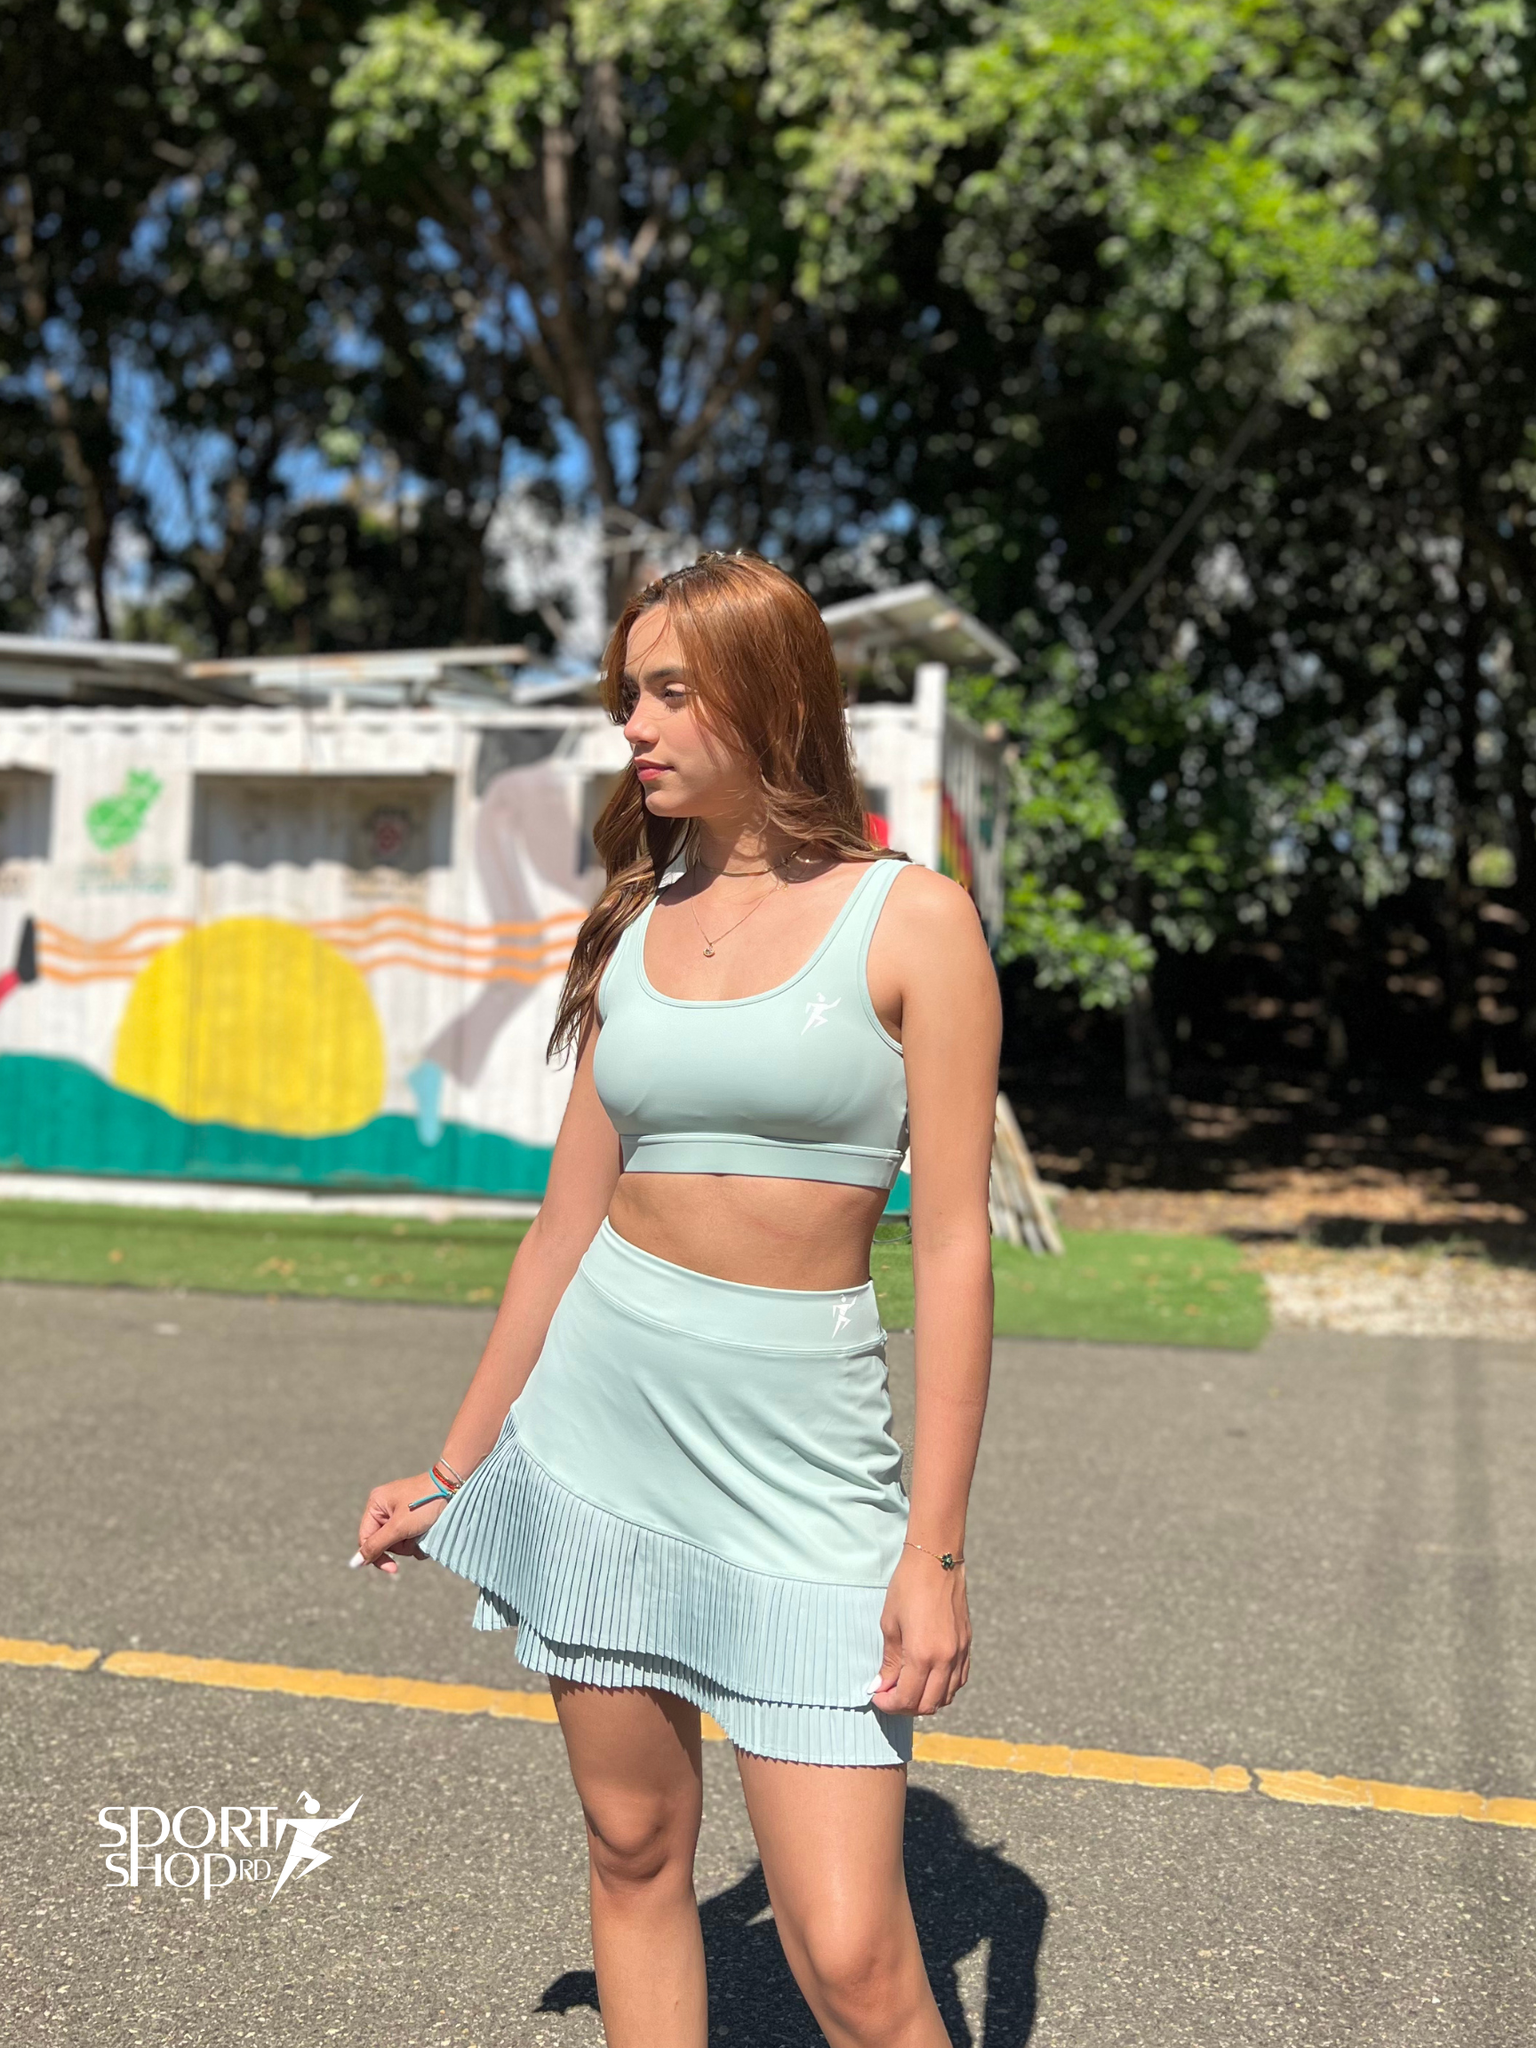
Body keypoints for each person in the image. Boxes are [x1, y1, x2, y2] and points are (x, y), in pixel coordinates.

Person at [355, 551, 1000, 2048]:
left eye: (666, 693)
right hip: (600, 1437)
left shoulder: (914, 920)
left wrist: (936, 1553)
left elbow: (955, 1248)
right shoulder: (636, 917)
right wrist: (454, 1467)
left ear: (767, 699)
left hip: (805, 1466)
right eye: (626, 694)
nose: (631, 727)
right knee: (634, 1848)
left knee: (854, 1961)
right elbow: (560, 1229)